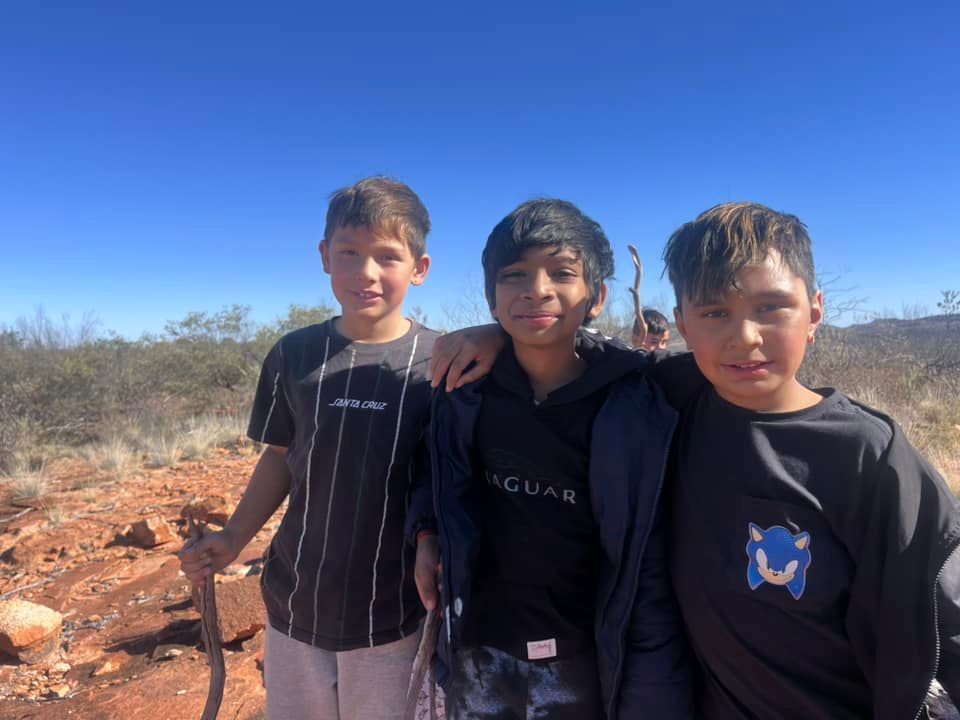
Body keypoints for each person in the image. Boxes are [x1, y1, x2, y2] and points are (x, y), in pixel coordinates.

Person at [658, 201, 960, 719]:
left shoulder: (866, 454)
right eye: (714, 313)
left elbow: (946, 614)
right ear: (683, 324)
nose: (745, 337)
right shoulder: (667, 405)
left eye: (771, 307)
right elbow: (573, 359)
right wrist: (495, 338)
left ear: (815, 313)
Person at [407, 199, 692, 720]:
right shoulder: (464, 390)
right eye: (514, 276)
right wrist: (426, 531)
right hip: (480, 645)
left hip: (589, 655)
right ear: (492, 298)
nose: (536, 289)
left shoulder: (640, 399)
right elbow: (437, 467)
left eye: (561, 273)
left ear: (598, 296)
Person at [180, 177, 445, 720]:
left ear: (418, 268)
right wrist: (232, 537)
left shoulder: (441, 361)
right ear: (325, 257)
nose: (365, 272)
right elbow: (278, 457)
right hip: (295, 598)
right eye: (348, 253)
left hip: (393, 609)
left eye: (387, 257)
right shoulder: (294, 355)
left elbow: (449, 476)